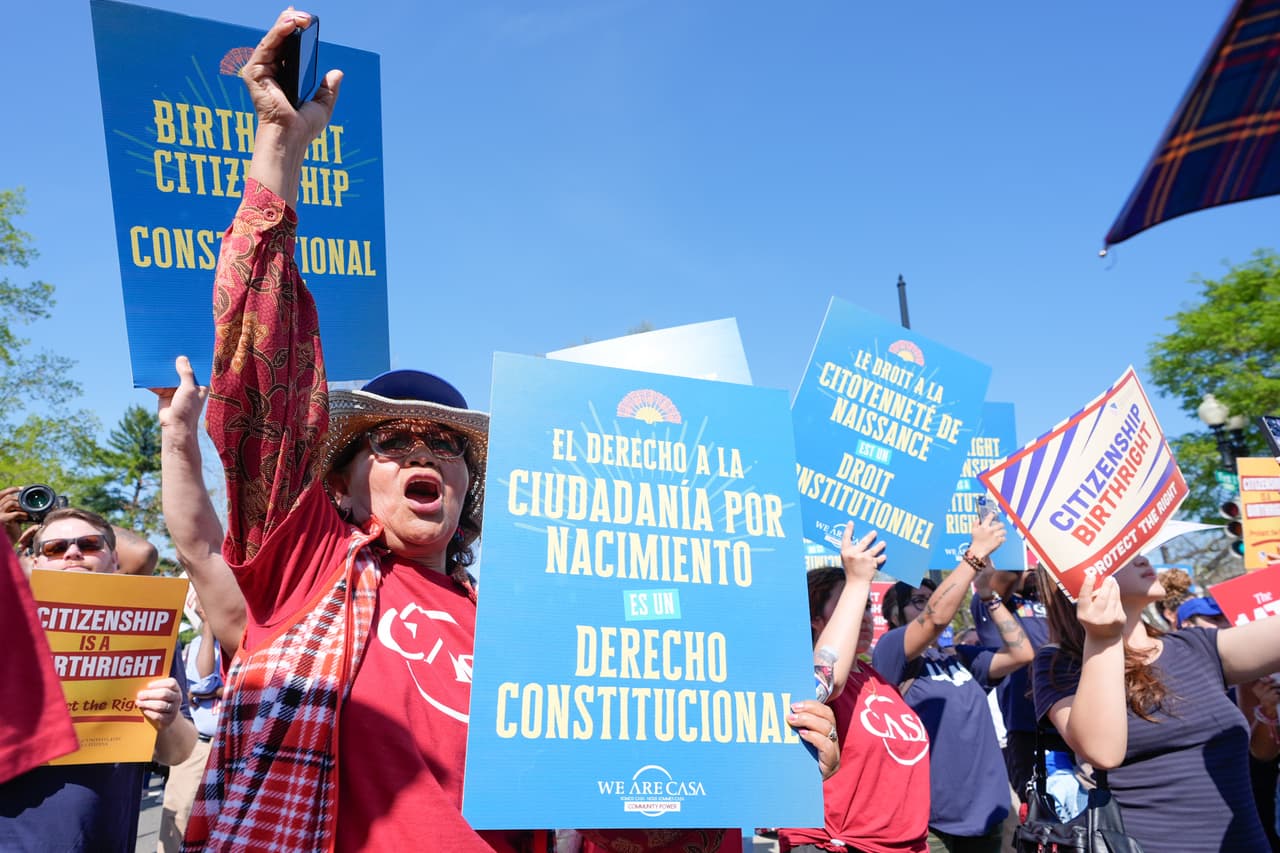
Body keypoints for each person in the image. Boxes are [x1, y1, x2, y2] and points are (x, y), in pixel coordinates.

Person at [1033, 554, 1280, 851]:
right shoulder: (1062, 662)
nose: (1141, 558)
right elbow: (1102, 752)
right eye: (1120, 553)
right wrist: (1103, 639)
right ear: (1077, 576)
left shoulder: (1196, 646)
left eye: (1138, 549)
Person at [0, 507, 195, 852]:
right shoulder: (8, 622)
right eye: (55, 548)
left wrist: (167, 719)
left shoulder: (150, 629)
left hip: (103, 837)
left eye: (90, 544)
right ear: (34, 560)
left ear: (115, 559)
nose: (73, 553)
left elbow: (178, 753)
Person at [872, 515, 1031, 853]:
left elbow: (1021, 653)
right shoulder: (891, 652)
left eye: (932, 597)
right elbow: (935, 618)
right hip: (932, 824)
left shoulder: (957, 656)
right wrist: (973, 557)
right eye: (919, 600)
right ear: (895, 615)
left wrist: (988, 596)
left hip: (987, 817)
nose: (931, 603)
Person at [778, 522, 931, 853]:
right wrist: (858, 581)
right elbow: (825, 678)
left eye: (866, 606)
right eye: (849, 602)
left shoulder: (877, 680)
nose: (863, 615)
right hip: (836, 844)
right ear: (815, 618)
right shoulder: (799, 672)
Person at [967, 566, 1050, 801]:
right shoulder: (990, 603)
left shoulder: (1053, 601)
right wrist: (1018, 555)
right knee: (1036, 809)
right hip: (1026, 726)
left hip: (1070, 718)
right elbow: (1008, 576)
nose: (1031, 565)